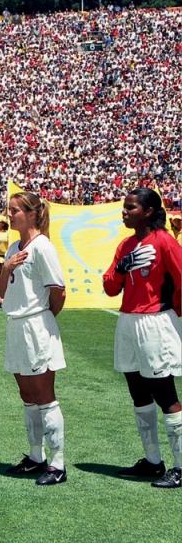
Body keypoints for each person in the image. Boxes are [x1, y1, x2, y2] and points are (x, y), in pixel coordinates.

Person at [102, 188, 182, 489]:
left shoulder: (164, 241)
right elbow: (110, 287)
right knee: (138, 393)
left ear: (148, 211)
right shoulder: (125, 245)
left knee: (165, 394)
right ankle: (152, 462)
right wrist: (121, 269)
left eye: (131, 207)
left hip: (155, 322)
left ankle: (180, 466)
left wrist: (172, 313)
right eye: (124, 207)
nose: (124, 212)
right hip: (128, 321)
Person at [0, 191, 67, 485]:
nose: (10, 215)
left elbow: (58, 291)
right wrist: (8, 267)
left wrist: (43, 319)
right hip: (15, 325)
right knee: (27, 396)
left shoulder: (42, 247)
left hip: (36, 324)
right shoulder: (14, 247)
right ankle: (36, 456)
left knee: (44, 396)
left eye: (15, 211)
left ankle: (58, 463)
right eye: (9, 210)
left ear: (33, 214)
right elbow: (1, 290)